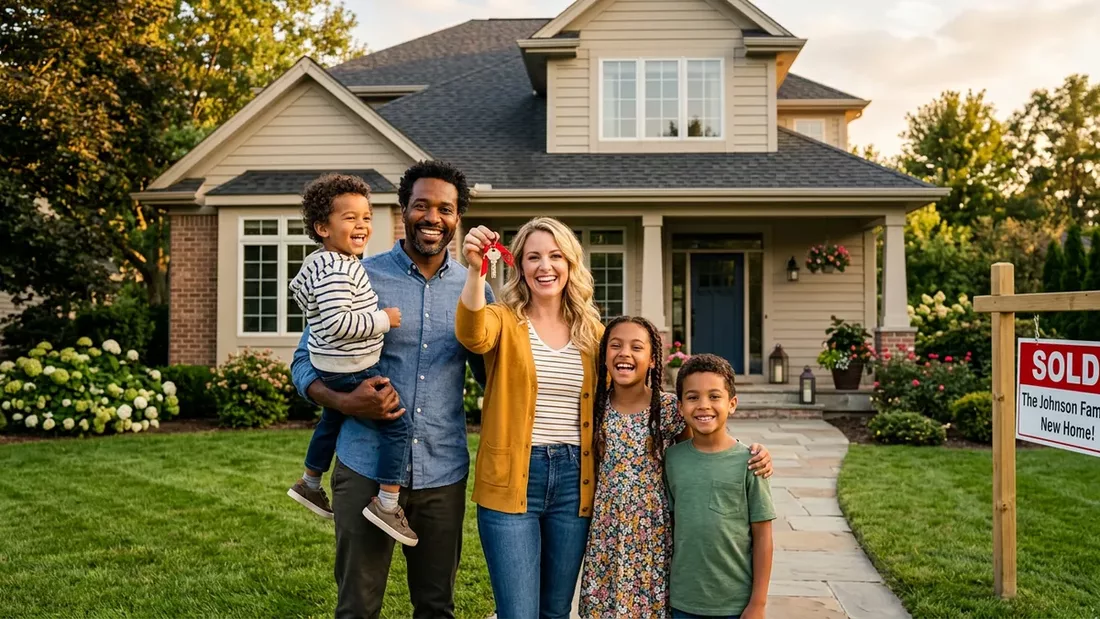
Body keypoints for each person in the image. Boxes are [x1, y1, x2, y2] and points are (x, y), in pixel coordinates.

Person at [291, 160, 492, 619]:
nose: (433, 217)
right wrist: (344, 401)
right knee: (358, 607)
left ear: (457, 217)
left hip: (442, 473)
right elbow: (305, 361)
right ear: (404, 211)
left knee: (436, 606)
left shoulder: (475, 287)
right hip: (363, 468)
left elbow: (495, 376)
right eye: (421, 205)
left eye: (446, 208)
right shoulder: (356, 273)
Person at [455, 217, 603, 619]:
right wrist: (474, 269)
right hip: (511, 478)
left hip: (575, 482)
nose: (545, 266)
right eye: (533, 257)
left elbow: (629, 392)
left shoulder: (592, 332)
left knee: (555, 611)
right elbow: (472, 334)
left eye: (555, 256)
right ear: (518, 264)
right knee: (518, 613)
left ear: (571, 264)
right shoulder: (503, 319)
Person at [579, 317, 773, 618]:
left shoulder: (668, 408)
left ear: (653, 359)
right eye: (615, 346)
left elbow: (701, 448)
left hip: (656, 535)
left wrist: (756, 453)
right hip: (608, 533)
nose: (624, 353)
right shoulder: (594, 407)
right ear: (604, 355)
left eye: (636, 347)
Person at [285, 173, 416, 546]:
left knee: (331, 420)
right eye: (350, 218)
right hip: (353, 367)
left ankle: (310, 482)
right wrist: (383, 319)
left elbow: (303, 298)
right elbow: (340, 322)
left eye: (366, 217)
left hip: (330, 364)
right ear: (322, 227)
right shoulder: (340, 268)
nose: (361, 225)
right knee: (396, 425)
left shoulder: (318, 263)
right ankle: (387, 503)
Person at [665, 354, 776, 619]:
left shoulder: (751, 462)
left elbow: (763, 537)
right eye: (693, 397)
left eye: (714, 396)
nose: (704, 406)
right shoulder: (672, 459)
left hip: (734, 603)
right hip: (683, 600)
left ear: (732, 404)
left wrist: (758, 604)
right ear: (680, 407)